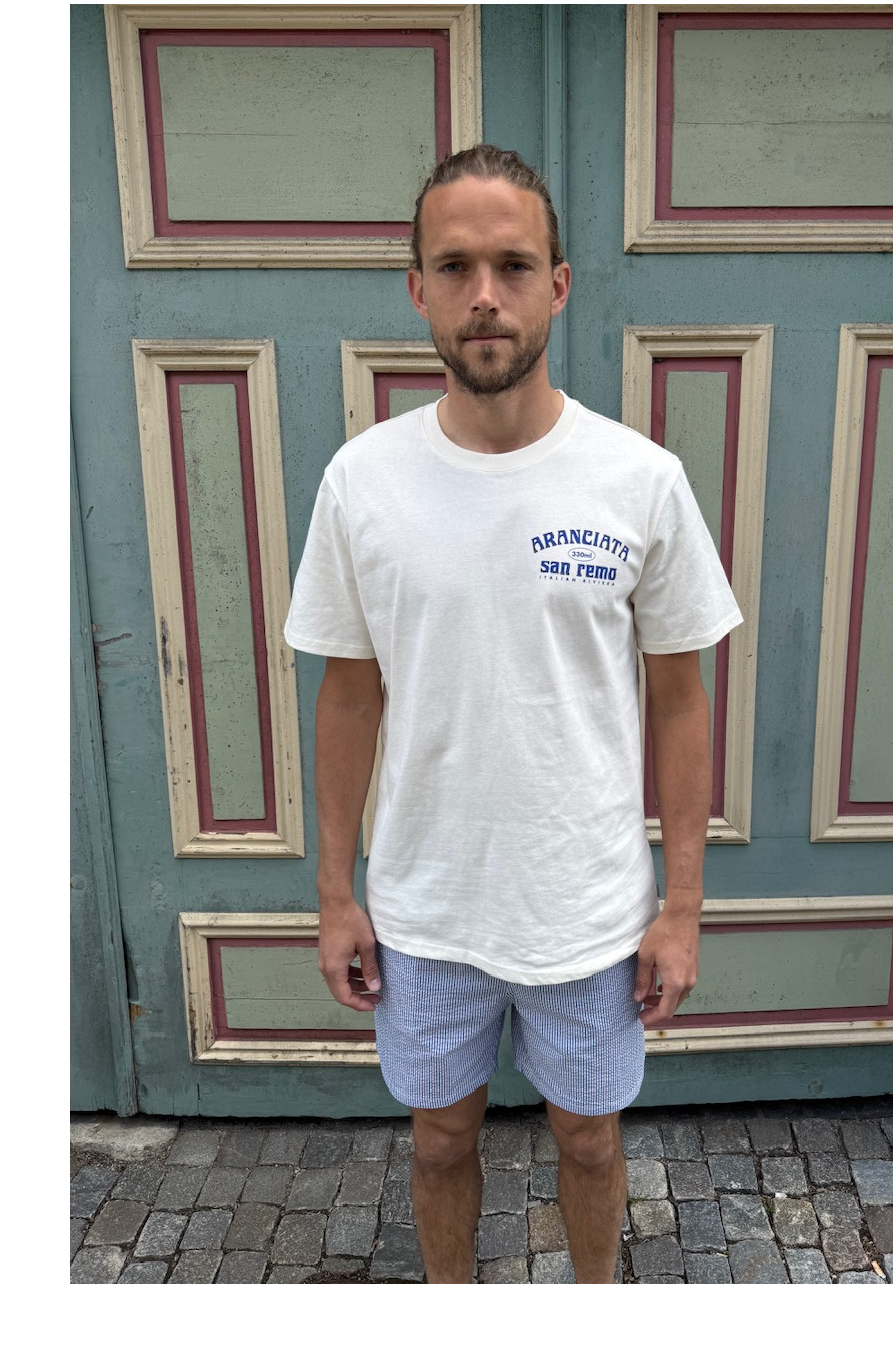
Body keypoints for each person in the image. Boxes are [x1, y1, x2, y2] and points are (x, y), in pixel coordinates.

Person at [284, 145, 742, 1284]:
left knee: (588, 1141)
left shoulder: (638, 480)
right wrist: (335, 893)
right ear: (418, 290)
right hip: (425, 912)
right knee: (439, 1142)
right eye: (455, 267)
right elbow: (349, 695)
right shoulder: (362, 482)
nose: (484, 294)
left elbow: (680, 703)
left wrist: (681, 908)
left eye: (512, 265)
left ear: (558, 285)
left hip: (586, 914)